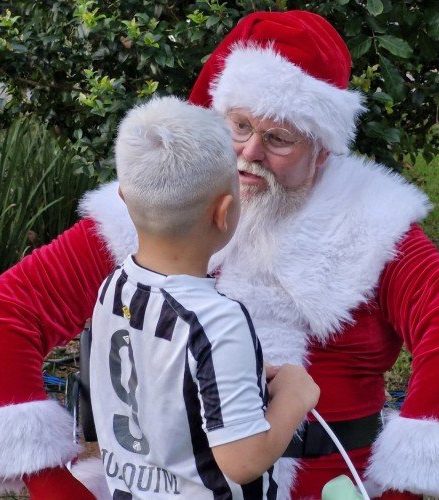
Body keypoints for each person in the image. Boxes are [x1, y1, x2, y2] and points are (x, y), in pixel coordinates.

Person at [0, 10, 439, 500]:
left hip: (329, 486)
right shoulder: (161, 204)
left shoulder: (371, 223)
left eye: (279, 138)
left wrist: (403, 489)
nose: (249, 154)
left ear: (323, 147)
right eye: (239, 126)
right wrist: (57, 490)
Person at [88, 96, 319, 498]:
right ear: (225, 212)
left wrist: (229, 374)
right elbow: (243, 460)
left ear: (124, 199)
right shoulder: (217, 320)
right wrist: (296, 397)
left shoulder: (115, 288)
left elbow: (161, 380)